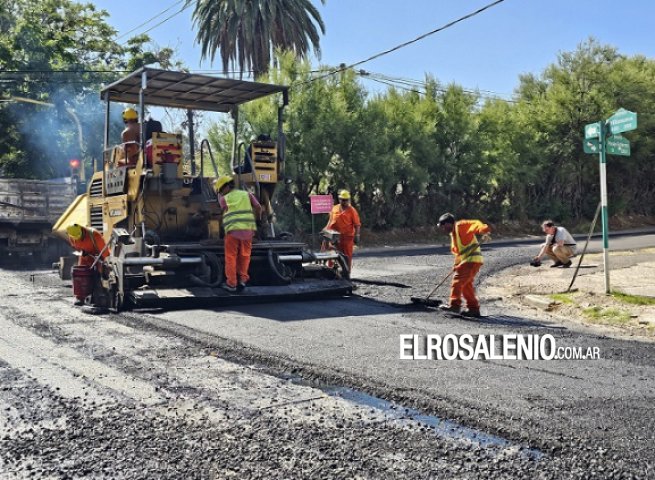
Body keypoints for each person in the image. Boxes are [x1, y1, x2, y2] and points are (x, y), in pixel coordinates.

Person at [437, 213, 491, 318]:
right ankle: (473, 309)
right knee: (466, 285)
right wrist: (456, 265)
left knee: (457, 281)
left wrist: (484, 230)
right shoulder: (453, 234)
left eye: (443, 226)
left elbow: (476, 224)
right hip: (468, 261)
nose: (442, 229)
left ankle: (454, 305)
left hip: (472, 261)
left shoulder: (461, 226)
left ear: (448, 224)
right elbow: (459, 254)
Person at [215, 175, 262, 292]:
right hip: (248, 231)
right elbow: (258, 207)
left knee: (231, 257)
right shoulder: (246, 194)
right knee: (245, 256)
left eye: (221, 190)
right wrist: (258, 220)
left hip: (233, 232)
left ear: (225, 187)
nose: (221, 192)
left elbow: (222, 211)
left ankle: (231, 284)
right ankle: (242, 280)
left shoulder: (223, 199)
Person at [325, 189, 361, 271]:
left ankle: (346, 274)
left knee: (346, 257)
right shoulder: (334, 208)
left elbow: (357, 225)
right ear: (339, 199)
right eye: (343, 200)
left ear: (349, 200)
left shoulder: (352, 210)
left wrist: (357, 235)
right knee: (332, 256)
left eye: (346, 200)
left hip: (347, 239)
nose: (345, 202)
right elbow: (330, 221)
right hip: (334, 238)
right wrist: (326, 233)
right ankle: (331, 273)